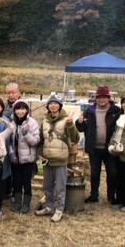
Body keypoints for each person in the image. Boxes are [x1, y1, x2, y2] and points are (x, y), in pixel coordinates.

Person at [36, 94, 79, 222]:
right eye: (50, 103)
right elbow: (41, 140)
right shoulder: (45, 121)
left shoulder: (67, 120)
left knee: (60, 187)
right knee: (47, 186)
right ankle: (49, 207)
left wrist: (71, 125)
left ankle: (59, 210)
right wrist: (40, 154)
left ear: (60, 106)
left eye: (56, 103)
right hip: (48, 159)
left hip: (60, 159)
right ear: (48, 106)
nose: (53, 105)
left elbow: (75, 138)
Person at [76, 86, 121, 204]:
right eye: (99, 98)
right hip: (94, 148)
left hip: (110, 148)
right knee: (94, 173)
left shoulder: (115, 111)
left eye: (104, 98)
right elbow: (81, 128)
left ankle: (111, 196)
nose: (101, 100)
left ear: (109, 98)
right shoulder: (89, 111)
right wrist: (79, 122)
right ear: (96, 98)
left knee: (112, 172)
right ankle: (94, 195)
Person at [9, 100, 40, 213]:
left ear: (27, 110)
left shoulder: (32, 123)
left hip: (28, 159)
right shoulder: (12, 123)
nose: (20, 111)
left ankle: (26, 204)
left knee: (26, 182)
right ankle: (17, 203)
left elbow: (36, 141)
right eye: (18, 108)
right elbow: (9, 142)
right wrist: (11, 153)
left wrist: (26, 134)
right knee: (16, 181)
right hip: (16, 159)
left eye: (23, 108)